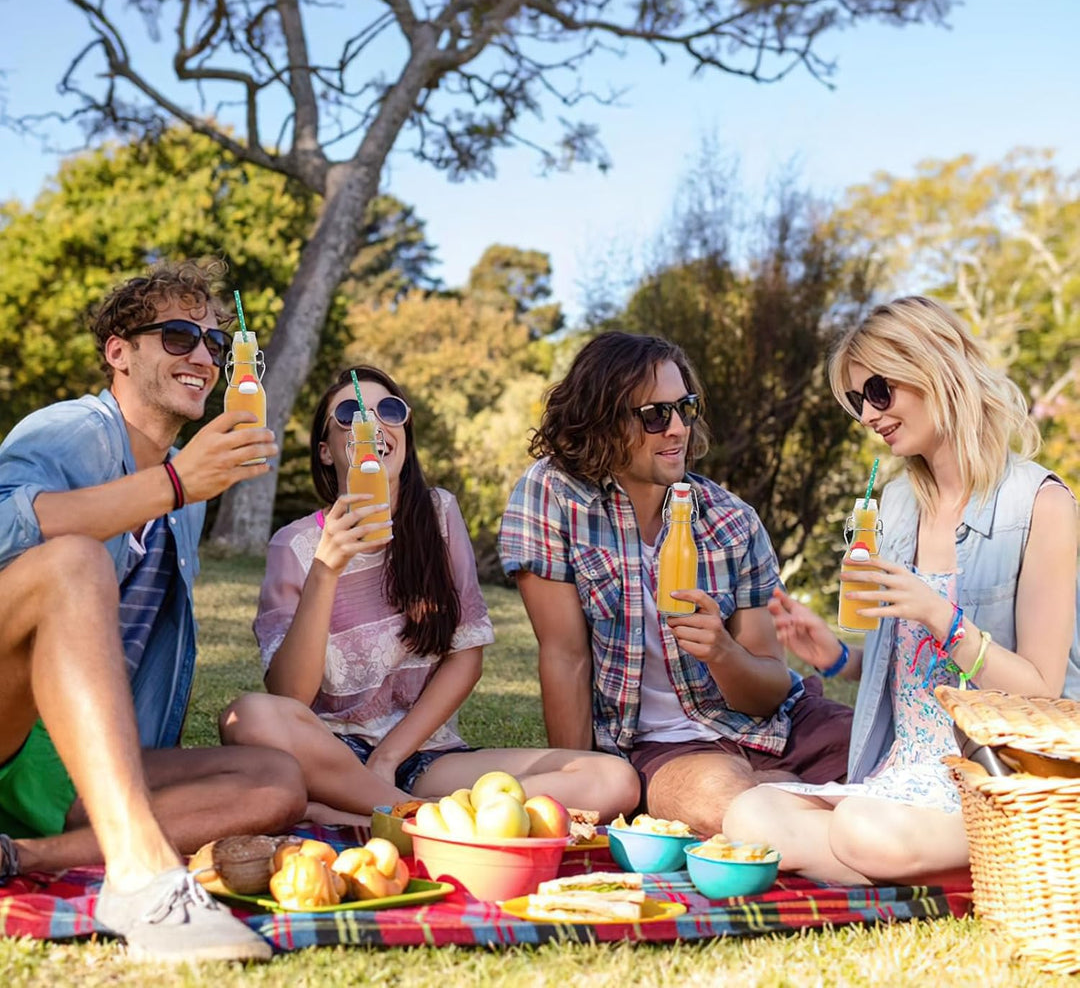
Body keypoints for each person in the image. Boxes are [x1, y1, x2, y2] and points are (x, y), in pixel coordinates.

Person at [0, 260, 306, 963]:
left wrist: (180, 489)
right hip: (9, 719)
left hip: (78, 760)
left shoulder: (185, 501)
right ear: (119, 351)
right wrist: (173, 484)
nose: (202, 356)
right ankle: (141, 875)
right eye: (176, 336)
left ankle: (22, 854)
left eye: (213, 344)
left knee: (277, 780)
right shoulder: (69, 432)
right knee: (73, 560)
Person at [723, 295, 1080, 884]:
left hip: (990, 775)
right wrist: (840, 657)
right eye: (858, 400)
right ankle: (967, 864)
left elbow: (1041, 692)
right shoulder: (896, 505)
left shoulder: (1041, 503)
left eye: (879, 392)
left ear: (934, 368)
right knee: (749, 813)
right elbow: (920, 681)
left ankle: (989, 847)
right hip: (897, 776)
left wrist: (942, 617)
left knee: (861, 829)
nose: (868, 414)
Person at [220, 367, 641, 823]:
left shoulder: (439, 515)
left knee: (613, 780)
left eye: (389, 410)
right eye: (349, 413)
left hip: (423, 756)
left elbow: (465, 658)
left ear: (404, 433)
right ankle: (428, 820)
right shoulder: (296, 546)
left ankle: (371, 816)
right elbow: (289, 696)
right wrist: (326, 570)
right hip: (327, 757)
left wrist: (387, 758)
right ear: (325, 451)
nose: (371, 423)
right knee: (247, 717)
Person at [496, 332, 853, 836]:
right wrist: (582, 787)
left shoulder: (731, 520)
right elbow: (565, 657)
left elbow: (772, 689)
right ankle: (814, 802)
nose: (678, 429)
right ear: (603, 419)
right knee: (723, 801)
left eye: (685, 408)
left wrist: (723, 653)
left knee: (909, 759)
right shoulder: (553, 496)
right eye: (655, 415)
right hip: (659, 747)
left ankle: (791, 791)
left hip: (782, 725)